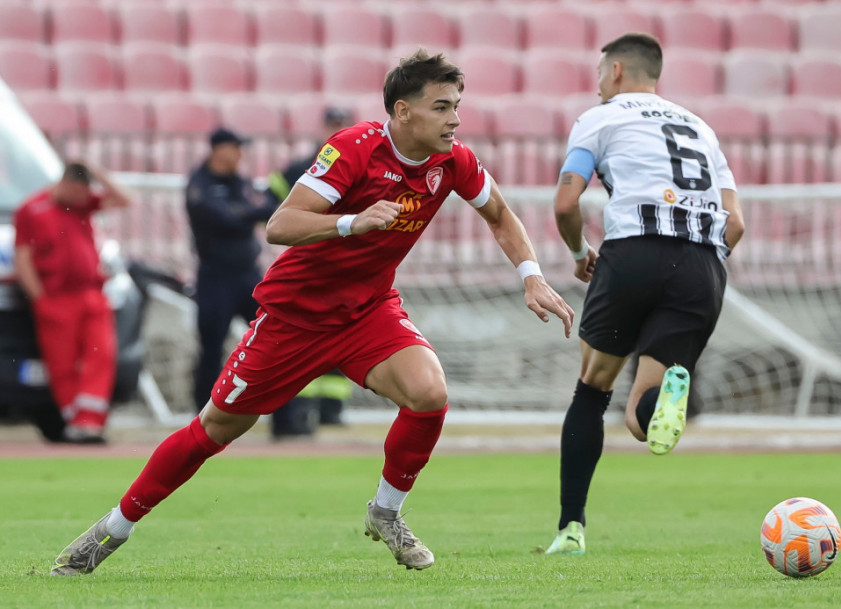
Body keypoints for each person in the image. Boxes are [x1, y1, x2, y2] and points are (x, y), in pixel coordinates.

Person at [51, 48, 575, 575]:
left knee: (429, 394)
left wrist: (531, 276)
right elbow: (281, 224)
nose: (455, 119)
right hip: (295, 317)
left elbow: (500, 214)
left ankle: (386, 513)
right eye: (441, 107)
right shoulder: (353, 148)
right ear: (403, 111)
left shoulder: (453, 160)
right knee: (214, 430)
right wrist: (352, 221)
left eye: (457, 106)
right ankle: (112, 528)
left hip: (368, 311)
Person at [545, 33, 745, 555]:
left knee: (593, 389)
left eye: (599, 72)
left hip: (633, 251)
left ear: (615, 71)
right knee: (643, 422)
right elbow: (737, 224)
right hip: (702, 266)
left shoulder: (601, 118)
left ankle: (571, 529)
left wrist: (579, 253)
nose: (597, 83)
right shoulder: (701, 128)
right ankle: (667, 397)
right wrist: (698, 263)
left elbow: (566, 203)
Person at [13, 162, 131, 443]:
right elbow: (23, 257)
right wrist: (39, 298)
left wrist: (96, 171)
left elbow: (124, 199)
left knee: (101, 355)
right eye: (78, 192)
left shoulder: (82, 203)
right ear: (64, 184)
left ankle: (89, 423)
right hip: (57, 298)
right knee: (62, 363)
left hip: (91, 294)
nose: (83, 198)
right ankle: (75, 423)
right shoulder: (31, 209)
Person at [266, 107, 356, 437]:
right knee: (306, 336)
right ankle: (301, 412)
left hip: (344, 267)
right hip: (310, 264)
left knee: (339, 336)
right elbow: (269, 203)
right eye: (333, 123)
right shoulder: (303, 166)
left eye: (341, 123)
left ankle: (332, 409)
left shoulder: (358, 164)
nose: (337, 128)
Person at [186, 127, 277, 413]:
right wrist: (248, 212)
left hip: (248, 275)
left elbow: (267, 208)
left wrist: (243, 212)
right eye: (235, 147)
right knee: (212, 348)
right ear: (219, 150)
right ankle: (202, 416)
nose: (240, 154)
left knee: (275, 337)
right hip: (215, 278)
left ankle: (285, 419)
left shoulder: (241, 181)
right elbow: (223, 217)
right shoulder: (199, 184)